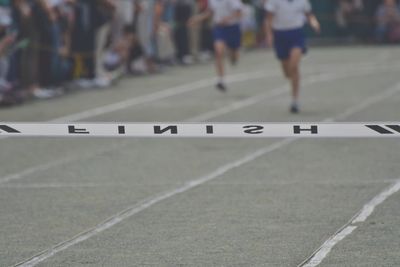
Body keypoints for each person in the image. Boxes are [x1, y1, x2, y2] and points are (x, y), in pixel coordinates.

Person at [264, 0, 320, 113]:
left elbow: (309, 15)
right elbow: (269, 18)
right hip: (280, 35)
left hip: (296, 34)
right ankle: (293, 78)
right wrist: (269, 35)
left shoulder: (302, 2)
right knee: (287, 71)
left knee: (294, 66)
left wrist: (314, 22)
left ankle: (295, 101)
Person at [189, 0, 243, 92]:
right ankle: (220, 80)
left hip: (232, 28)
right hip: (219, 28)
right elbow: (210, 12)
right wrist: (198, 18)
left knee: (234, 55)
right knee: (219, 51)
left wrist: (228, 18)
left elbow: (239, 13)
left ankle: (233, 57)